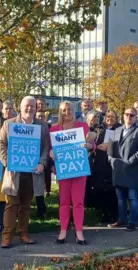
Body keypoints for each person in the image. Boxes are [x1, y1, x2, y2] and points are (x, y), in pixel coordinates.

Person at [0, 96, 49, 248]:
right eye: (27, 105)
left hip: (32, 173)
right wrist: (8, 162)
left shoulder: (42, 126)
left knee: (26, 205)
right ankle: (7, 236)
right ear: (20, 107)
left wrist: (42, 164)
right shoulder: (9, 124)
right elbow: (0, 144)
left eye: (33, 106)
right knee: (11, 205)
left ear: (36, 108)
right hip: (14, 173)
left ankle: (23, 233)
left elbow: (45, 148)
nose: (30, 108)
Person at [50, 101, 95, 245]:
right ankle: (63, 230)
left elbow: (92, 145)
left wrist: (89, 145)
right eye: (64, 110)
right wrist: (51, 153)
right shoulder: (54, 129)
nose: (67, 112)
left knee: (78, 202)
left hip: (79, 168)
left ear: (74, 111)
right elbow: (50, 148)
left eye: (69, 109)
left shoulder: (82, 127)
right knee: (64, 201)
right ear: (60, 112)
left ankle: (79, 231)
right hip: (63, 170)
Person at [108, 107, 138, 232]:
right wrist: (111, 160)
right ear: (123, 115)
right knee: (120, 197)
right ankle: (122, 219)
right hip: (118, 168)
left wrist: (131, 161)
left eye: (132, 115)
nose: (129, 117)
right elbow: (112, 148)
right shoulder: (117, 130)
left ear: (136, 117)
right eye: (127, 114)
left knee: (132, 197)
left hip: (131, 169)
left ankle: (132, 222)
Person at [91, 110, 121, 223]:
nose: (110, 118)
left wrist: (109, 146)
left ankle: (114, 213)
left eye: (113, 117)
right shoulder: (100, 129)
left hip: (113, 163)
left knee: (112, 190)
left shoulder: (120, 129)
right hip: (100, 162)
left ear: (117, 118)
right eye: (108, 116)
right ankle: (105, 213)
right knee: (101, 189)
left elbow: (122, 143)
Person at [34, 110, 49, 218]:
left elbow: (46, 146)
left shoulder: (44, 126)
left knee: (39, 189)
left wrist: (42, 163)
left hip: (39, 161)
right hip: (23, 162)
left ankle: (41, 211)